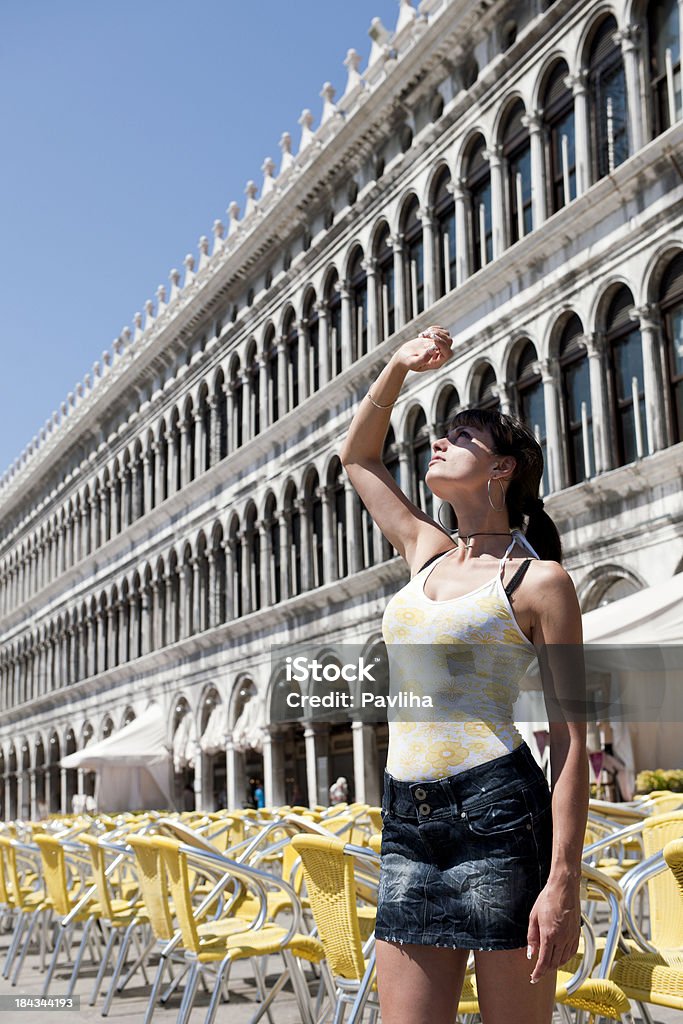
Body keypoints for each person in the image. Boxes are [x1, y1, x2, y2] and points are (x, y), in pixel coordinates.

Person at [339, 325, 588, 1024]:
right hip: (407, 822)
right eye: (439, 435)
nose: (438, 444)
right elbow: (357, 458)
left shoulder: (539, 582)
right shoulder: (424, 549)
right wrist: (395, 367)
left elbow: (569, 737)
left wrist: (561, 881)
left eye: (462, 438)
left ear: (502, 468)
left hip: (499, 814)